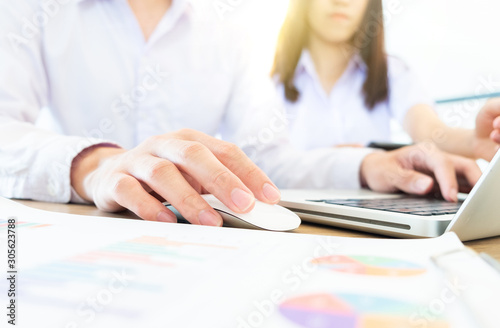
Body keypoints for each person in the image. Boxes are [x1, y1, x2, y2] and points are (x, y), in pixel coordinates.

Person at [0, 0, 484, 227]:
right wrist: (95, 163)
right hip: (74, 229)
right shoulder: (35, 9)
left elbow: (265, 159)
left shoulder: (235, 25)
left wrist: (365, 164)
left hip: (204, 241)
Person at [272, 0, 500, 161]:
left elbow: (430, 130)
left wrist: (475, 141)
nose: (340, 1)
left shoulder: (394, 71)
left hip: (371, 212)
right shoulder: (267, 82)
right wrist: (335, 163)